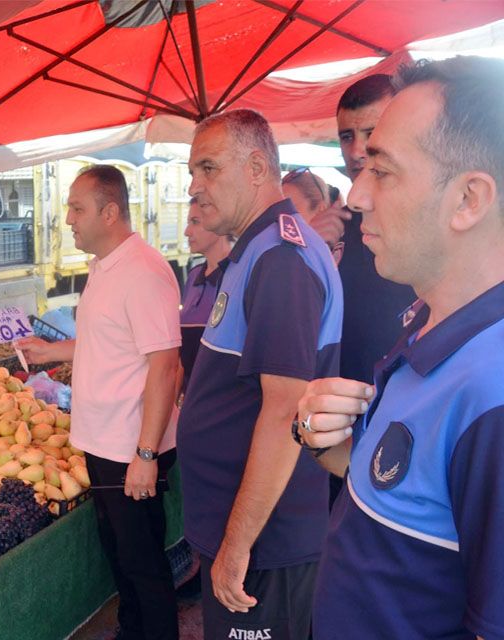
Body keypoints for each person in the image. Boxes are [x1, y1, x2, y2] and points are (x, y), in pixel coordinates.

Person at [295, 56, 504, 640]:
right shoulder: (425, 324)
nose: (355, 195)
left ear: (468, 200)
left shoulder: (493, 395)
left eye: (381, 171)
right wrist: (321, 440)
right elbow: (401, 500)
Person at [177, 109, 342, 640]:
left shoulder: (279, 260)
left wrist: (236, 545)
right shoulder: (257, 251)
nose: (194, 187)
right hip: (254, 536)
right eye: (191, 172)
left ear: (254, 167)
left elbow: (283, 413)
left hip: (266, 545)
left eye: (207, 168)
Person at [17, 165, 182, 640]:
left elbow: (164, 366)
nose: (67, 219)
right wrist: (53, 352)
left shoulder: (144, 272)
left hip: (130, 446)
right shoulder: (104, 267)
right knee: (121, 557)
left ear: (110, 213)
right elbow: (111, 341)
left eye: (76, 208)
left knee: (143, 564)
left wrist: (146, 455)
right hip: (103, 443)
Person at [307, 75, 417, 387]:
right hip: (340, 404)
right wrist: (308, 252)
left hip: (408, 402)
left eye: (371, 132)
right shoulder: (333, 226)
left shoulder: (432, 221)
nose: (357, 150)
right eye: (346, 136)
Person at [179, 196, 230, 394]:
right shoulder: (193, 277)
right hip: (190, 400)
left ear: (217, 221)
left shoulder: (235, 276)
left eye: (195, 222)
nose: (186, 231)